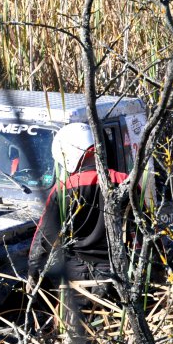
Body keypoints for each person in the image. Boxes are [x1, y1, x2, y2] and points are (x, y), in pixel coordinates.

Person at [28, 122, 128, 288]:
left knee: (73, 315)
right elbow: (142, 231)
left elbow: (45, 237)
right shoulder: (124, 181)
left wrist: (33, 270)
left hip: (76, 276)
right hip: (117, 272)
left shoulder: (63, 188)